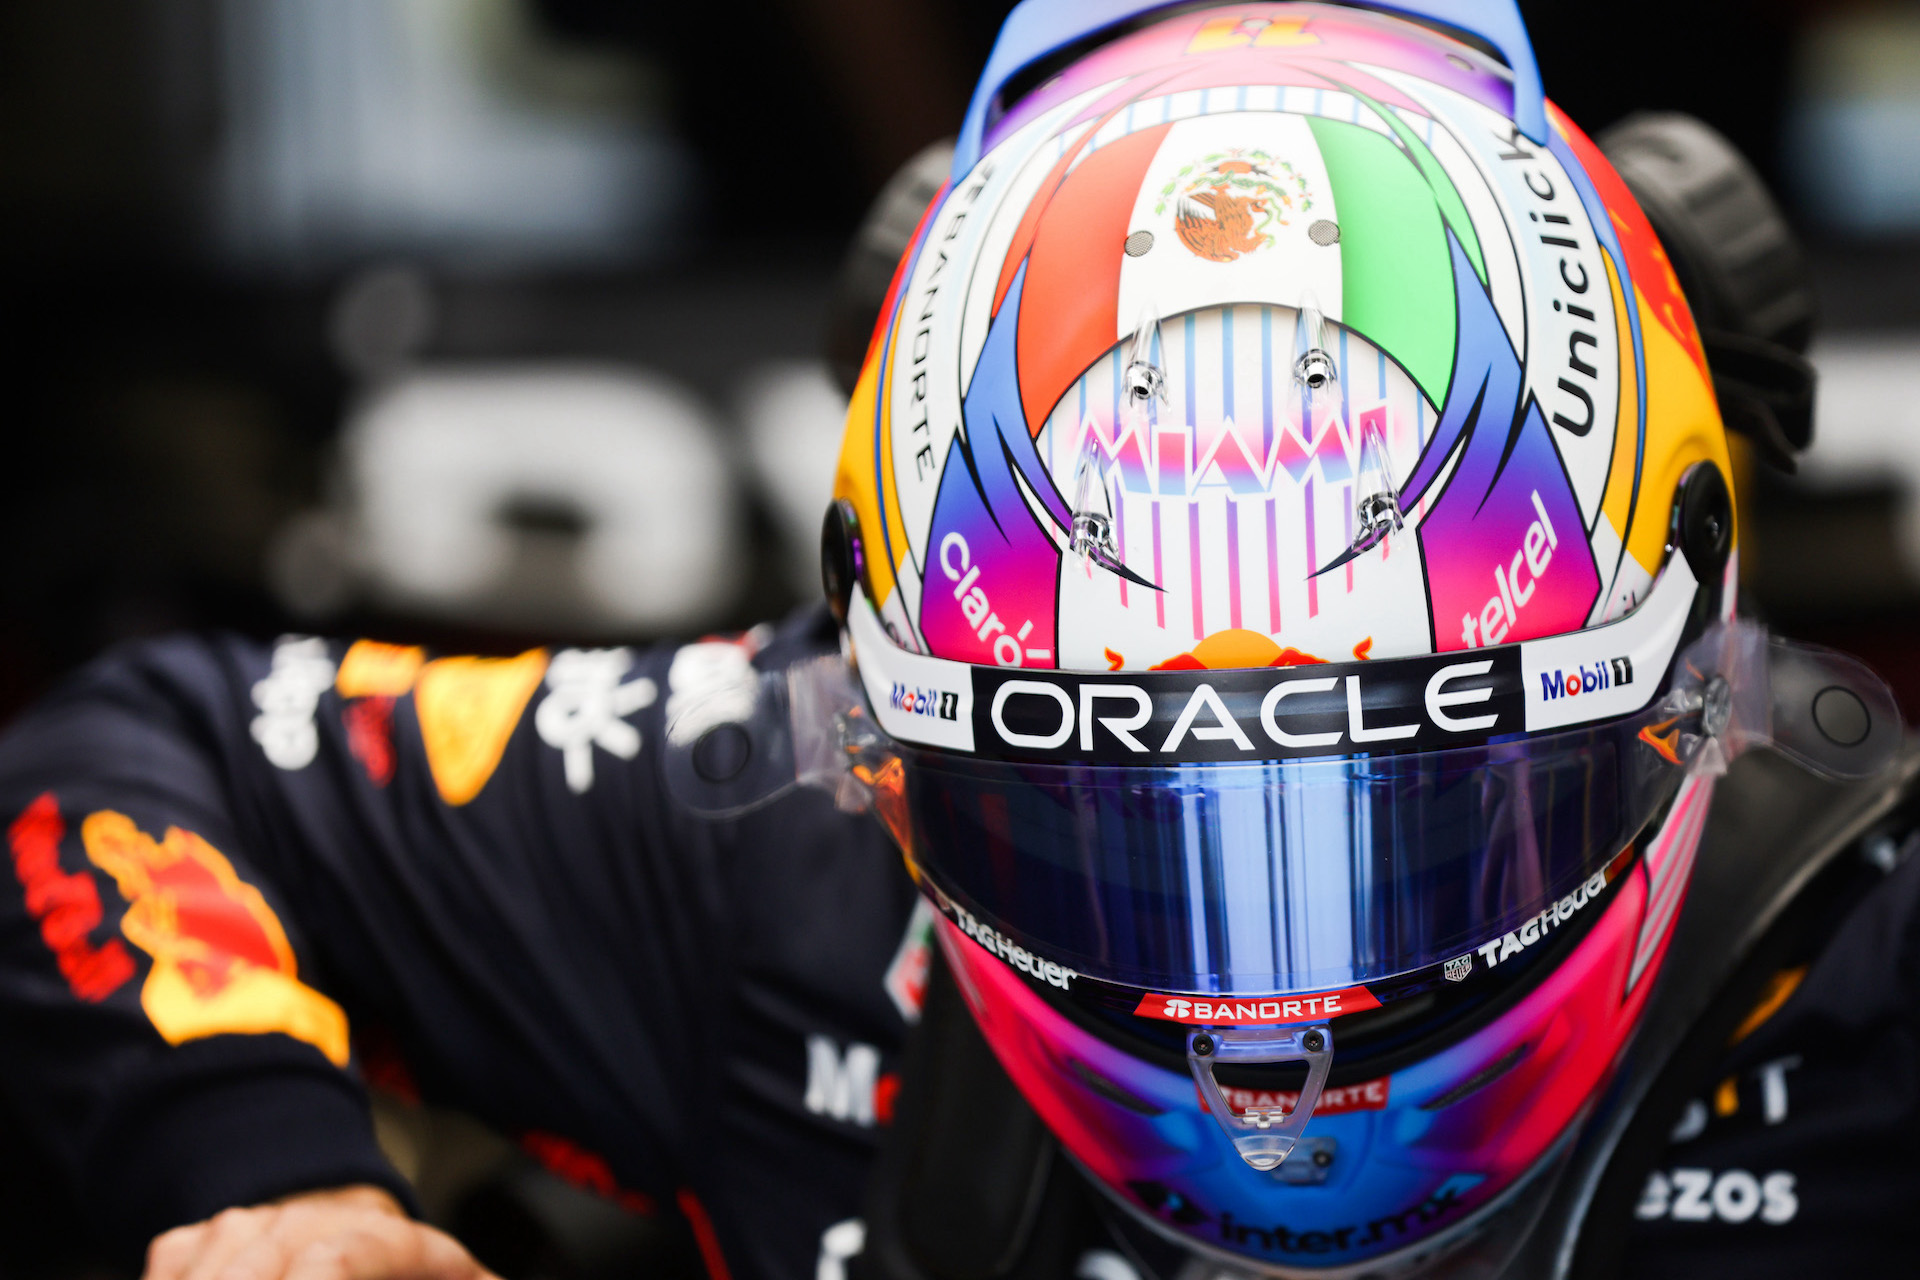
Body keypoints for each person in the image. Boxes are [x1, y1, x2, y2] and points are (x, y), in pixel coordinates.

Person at [1, 4, 1912, 1279]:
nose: (1278, 1021)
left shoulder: (1872, 965)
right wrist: (270, 1177)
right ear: (884, 715)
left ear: (1693, 663)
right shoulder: (777, 838)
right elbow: (122, 760)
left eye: (1419, 830)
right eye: (1117, 842)